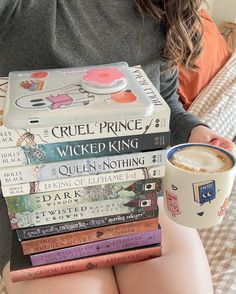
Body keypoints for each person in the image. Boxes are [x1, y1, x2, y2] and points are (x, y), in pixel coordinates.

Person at [0, 1, 234, 293]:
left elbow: (165, 102)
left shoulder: (163, 6)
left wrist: (197, 134)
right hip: (36, 202)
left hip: (137, 188)